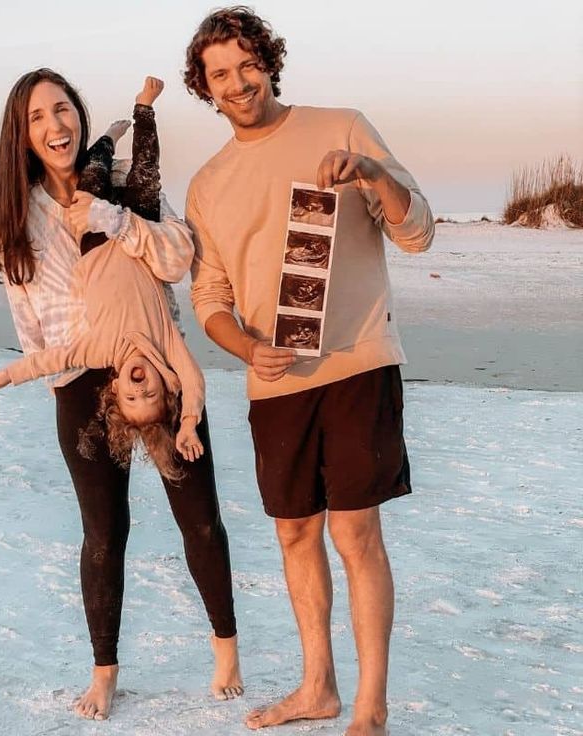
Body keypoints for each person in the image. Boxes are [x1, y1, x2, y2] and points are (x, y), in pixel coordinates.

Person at [183, 8, 434, 735]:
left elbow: (416, 232)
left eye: (245, 64)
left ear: (268, 60)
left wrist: (374, 173)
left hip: (357, 361)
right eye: (219, 73)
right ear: (205, 87)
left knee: (356, 532)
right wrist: (243, 348)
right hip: (277, 383)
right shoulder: (209, 183)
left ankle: (370, 707)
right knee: (295, 534)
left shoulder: (342, 126)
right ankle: (317, 688)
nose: (237, 83)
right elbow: (210, 297)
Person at [0, 69, 242, 721]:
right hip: (77, 380)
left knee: (199, 515)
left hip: (154, 365)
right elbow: (27, 324)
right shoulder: (17, 218)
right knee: (104, 532)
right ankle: (104, 672)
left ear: (78, 114)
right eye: (37, 117)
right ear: (22, 135)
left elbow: (179, 257)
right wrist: (63, 390)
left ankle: (227, 650)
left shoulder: (121, 177)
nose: (55, 125)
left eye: (62, 109)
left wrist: (116, 222)